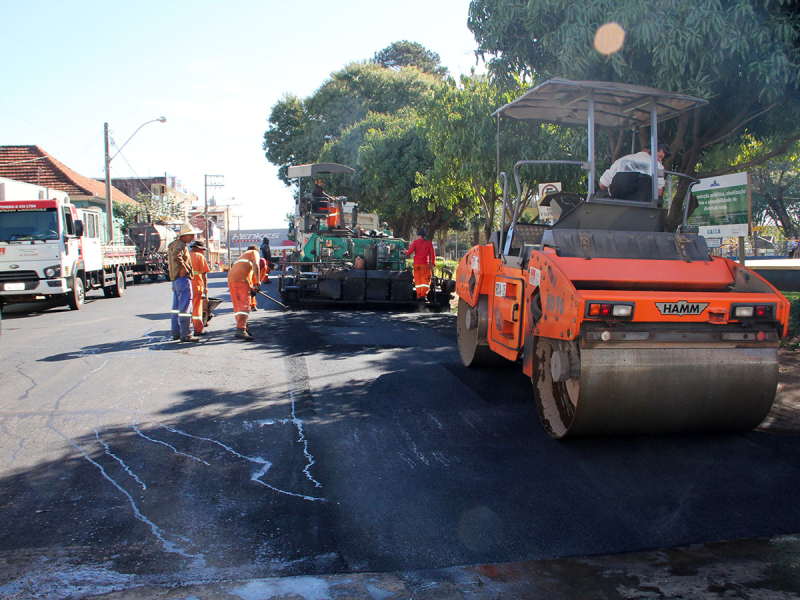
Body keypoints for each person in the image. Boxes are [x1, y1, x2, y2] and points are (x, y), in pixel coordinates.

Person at [167, 223, 200, 342]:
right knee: (185, 307)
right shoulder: (180, 245)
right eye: (191, 235)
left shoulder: (174, 244)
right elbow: (177, 256)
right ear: (184, 235)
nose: (192, 238)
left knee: (176, 308)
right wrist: (184, 268)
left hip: (176, 280)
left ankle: (176, 332)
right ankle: (186, 334)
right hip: (182, 279)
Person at [599, 143, 670, 197]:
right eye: (660, 156)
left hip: (617, 205)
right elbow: (658, 192)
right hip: (644, 208)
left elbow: (602, 184)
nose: (660, 160)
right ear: (651, 150)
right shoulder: (657, 166)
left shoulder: (621, 160)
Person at [228, 245, 261, 340]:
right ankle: (241, 330)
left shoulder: (243, 256)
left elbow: (242, 273)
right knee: (245, 305)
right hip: (240, 280)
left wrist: (251, 287)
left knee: (238, 305)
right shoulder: (254, 253)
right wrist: (258, 282)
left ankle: (244, 327)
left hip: (232, 279)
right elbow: (256, 265)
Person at [405, 228, 437, 300]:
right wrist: (433, 263)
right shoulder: (429, 243)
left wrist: (405, 252)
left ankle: (418, 295)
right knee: (425, 280)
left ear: (419, 235)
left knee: (418, 280)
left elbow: (409, 252)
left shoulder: (415, 242)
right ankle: (423, 295)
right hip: (425, 264)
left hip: (416, 264)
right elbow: (432, 254)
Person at [189, 240, 210, 335]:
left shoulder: (186, 255)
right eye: (202, 250)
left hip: (186, 285)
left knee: (186, 307)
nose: (203, 252)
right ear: (197, 248)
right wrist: (205, 287)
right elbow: (204, 274)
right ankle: (198, 329)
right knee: (197, 308)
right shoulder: (199, 256)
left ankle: (184, 329)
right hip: (196, 285)